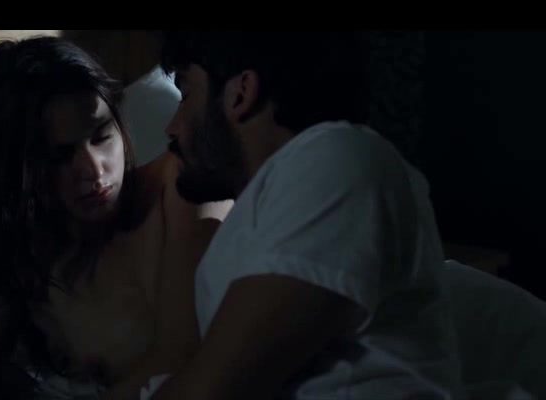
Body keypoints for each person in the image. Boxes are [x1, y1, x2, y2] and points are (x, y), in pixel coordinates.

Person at [145, 31, 464, 399]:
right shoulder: (260, 210)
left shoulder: (336, 155)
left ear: (241, 93)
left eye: (186, 94)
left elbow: (213, 390)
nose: (172, 126)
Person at [0, 36, 231, 399]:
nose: (94, 171)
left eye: (101, 135)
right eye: (59, 157)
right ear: (16, 168)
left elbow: (179, 359)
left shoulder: (182, 184)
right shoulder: (28, 254)